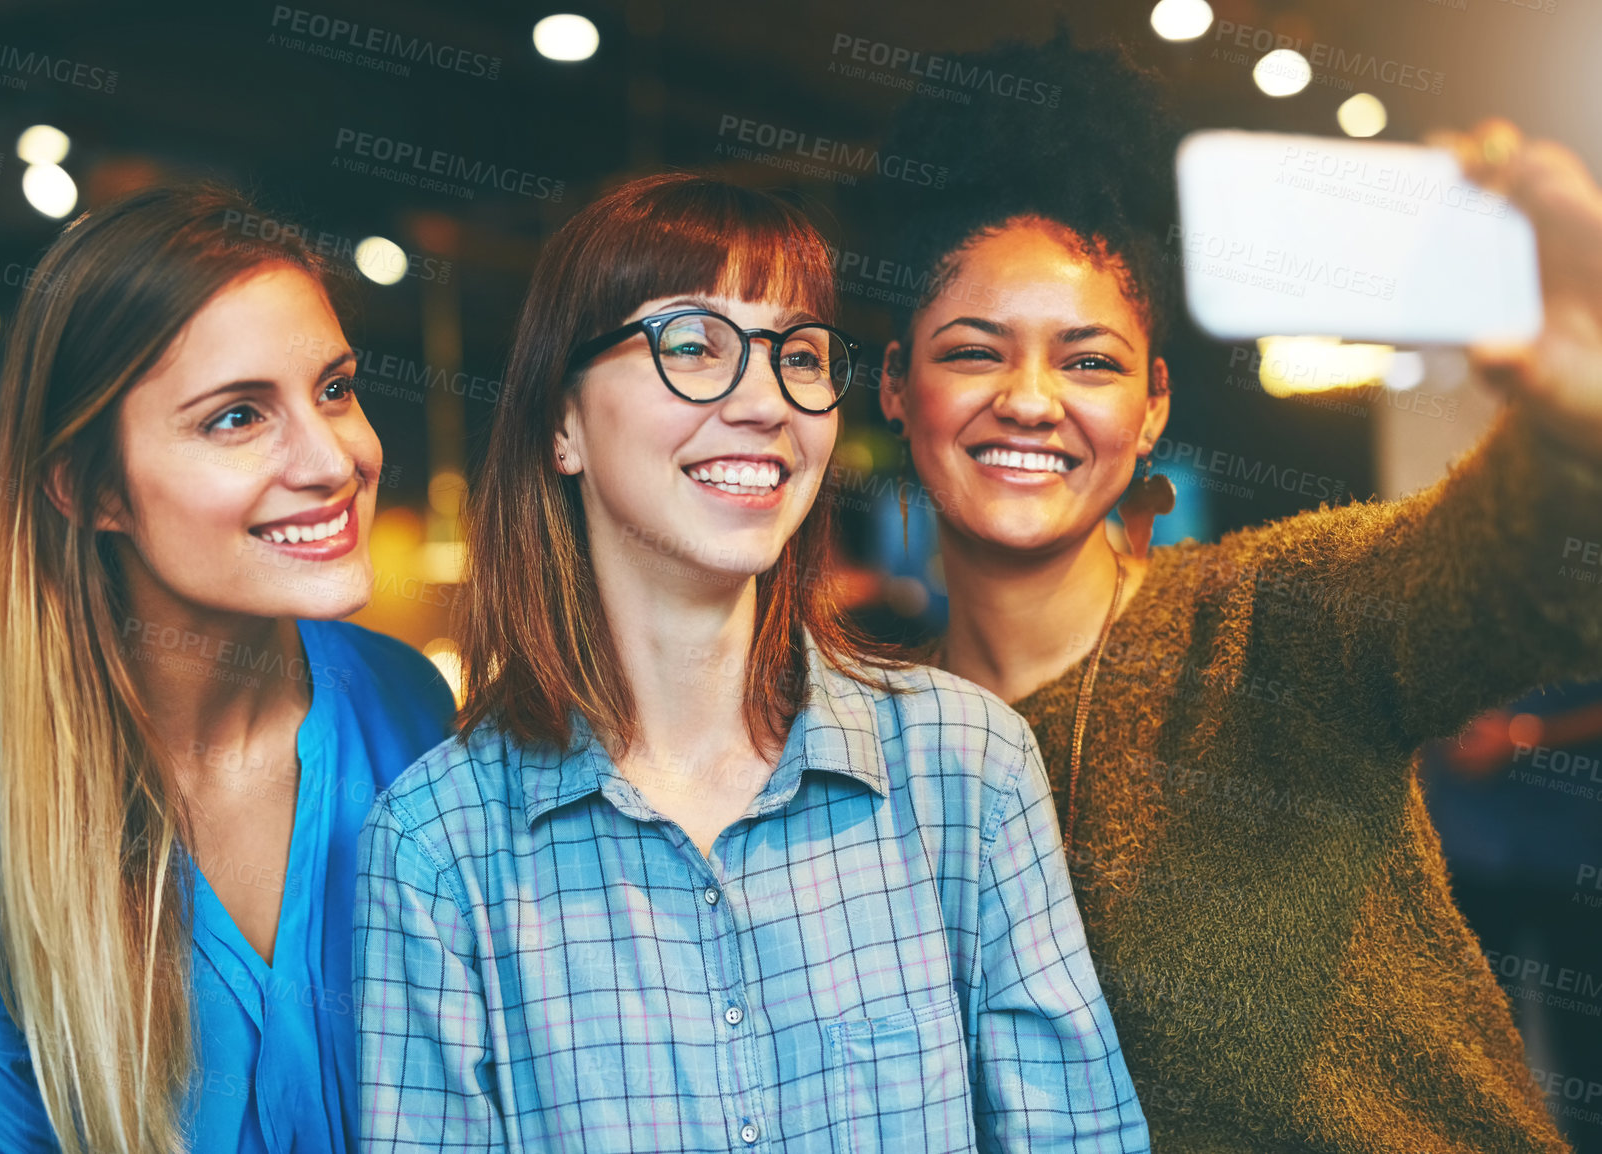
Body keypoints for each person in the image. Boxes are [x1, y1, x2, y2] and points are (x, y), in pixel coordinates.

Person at [875, 35, 1602, 1153]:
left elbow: (1503, 575)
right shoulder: (873, 745)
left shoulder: (1272, 616)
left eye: (1089, 361)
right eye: (975, 352)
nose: (1030, 400)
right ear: (894, 383)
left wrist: (1572, 419)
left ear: (1153, 405)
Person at [354, 172, 1149, 1153]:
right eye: (692, 345)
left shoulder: (964, 761)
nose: (765, 401)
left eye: (798, 356)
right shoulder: (441, 839)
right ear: (562, 422)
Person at [0, 185, 454, 1153]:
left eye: (335, 388)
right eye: (235, 417)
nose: (333, 459)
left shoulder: (408, 703)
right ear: (92, 488)